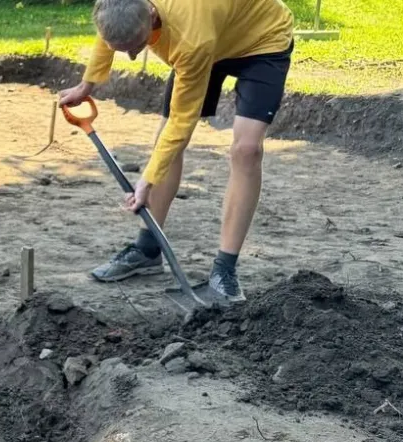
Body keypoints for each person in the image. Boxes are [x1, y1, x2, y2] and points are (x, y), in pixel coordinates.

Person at [59, 0, 294, 302]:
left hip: (261, 39)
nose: (132, 57)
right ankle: (148, 247)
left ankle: (225, 268)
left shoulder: (191, 40)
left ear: (152, 14)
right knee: (165, 139)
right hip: (209, 28)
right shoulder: (123, 5)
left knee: (246, 150)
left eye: (139, 45)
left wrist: (147, 180)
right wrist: (87, 84)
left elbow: (183, 120)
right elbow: (110, 27)